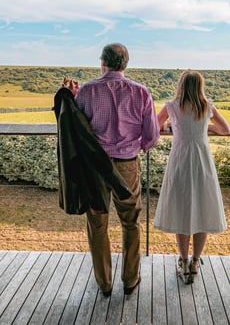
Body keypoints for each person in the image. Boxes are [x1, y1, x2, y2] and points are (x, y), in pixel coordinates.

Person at [62, 43, 159, 297]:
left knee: (97, 225)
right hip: (127, 165)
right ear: (125, 64)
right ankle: (130, 280)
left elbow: (77, 129)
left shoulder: (86, 92)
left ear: (102, 62)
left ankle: (104, 283)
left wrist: (69, 97)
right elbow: (151, 137)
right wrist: (136, 145)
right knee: (131, 222)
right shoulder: (141, 93)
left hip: (96, 167)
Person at [153, 70, 230, 284]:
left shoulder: (172, 106)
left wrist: (171, 126)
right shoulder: (207, 105)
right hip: (201, 161)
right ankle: (196, 261)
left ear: (181, 85)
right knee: (203, 208)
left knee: (181, 209)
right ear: (200, 86)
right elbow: (225, 129)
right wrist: (206, 126)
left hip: (180, 160)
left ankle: (184, 261)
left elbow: (155, 126)